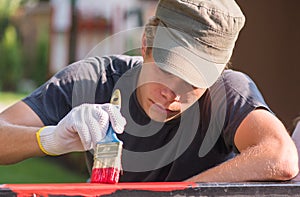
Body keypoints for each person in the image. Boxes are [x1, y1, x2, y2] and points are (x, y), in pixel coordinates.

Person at [0, 0, 298, 182]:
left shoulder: (226, 91)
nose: (173, 93)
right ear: (146, 44)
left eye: (193, 81)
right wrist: (51, 139)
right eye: (167, 68)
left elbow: (281, 157)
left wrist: (183, 194)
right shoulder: (93, 80)